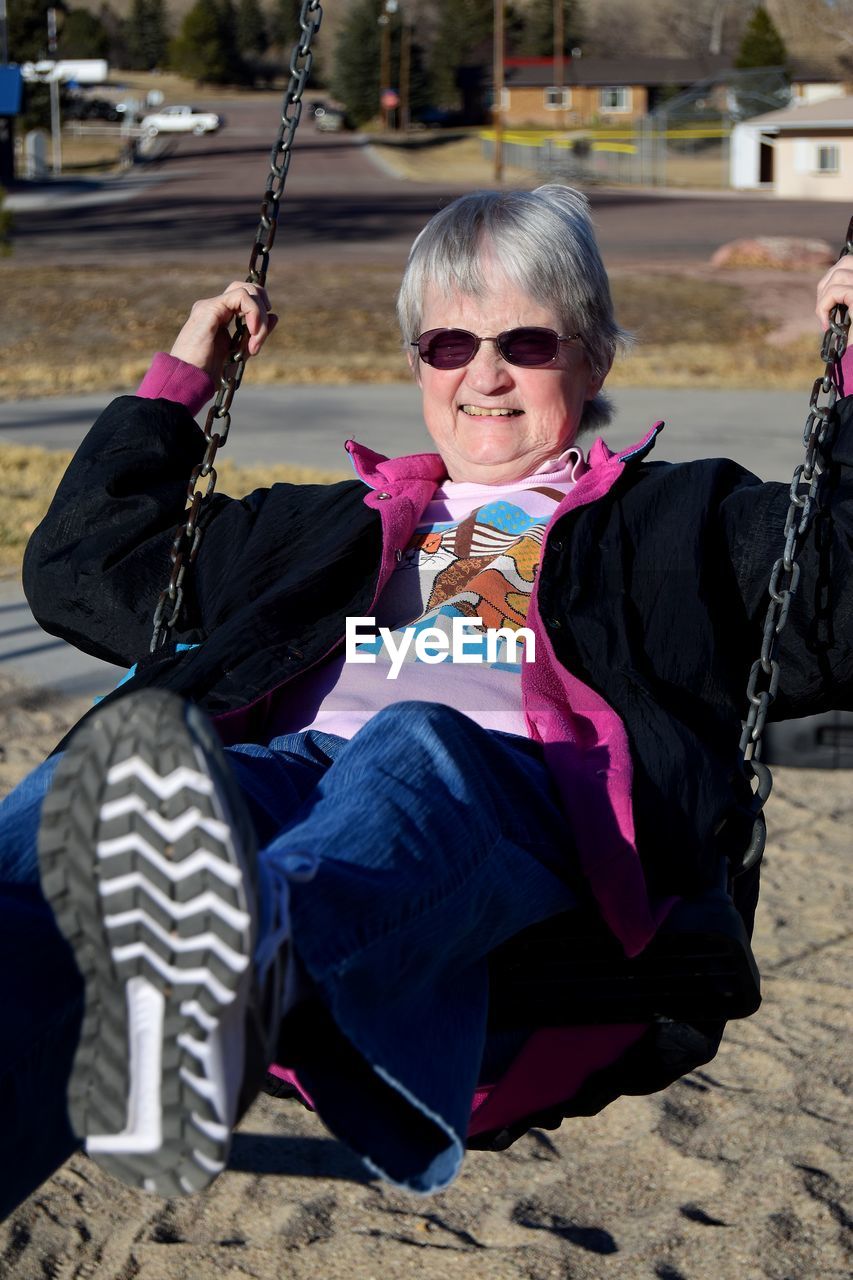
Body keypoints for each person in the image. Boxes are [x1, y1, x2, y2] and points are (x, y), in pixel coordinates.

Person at [1, 186, 851, 1218]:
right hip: (291, 792)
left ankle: (257, 966)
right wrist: (184, 379)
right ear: (417, 363)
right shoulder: (312, 530)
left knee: (415, 742)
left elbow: (838, 606)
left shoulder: (681, 521)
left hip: (519, 820)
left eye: (526, 342)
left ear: (592, 358)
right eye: (448, 344)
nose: (483, 375)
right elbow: (81, 570)